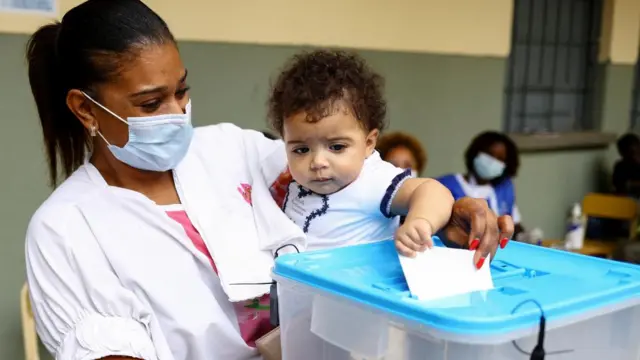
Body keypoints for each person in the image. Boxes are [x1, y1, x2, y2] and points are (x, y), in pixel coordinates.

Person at [24, 1, 513, 359]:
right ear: (86, 109)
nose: (177, 114)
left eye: (182, 91)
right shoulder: (67, 229)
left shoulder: (231, 150)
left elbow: (354, 189)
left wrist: (443, 216)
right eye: (152, 104)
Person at [267, 50, 458, 261]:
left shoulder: (373, 180)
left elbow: (433, 191)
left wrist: (420, 222)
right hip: (297, 286)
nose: (318, 162)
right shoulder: (294, 180)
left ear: (368, 143)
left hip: (349, 290)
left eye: (337, 147)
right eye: (301, 150)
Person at [437, 131, 524, 237]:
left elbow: (516, 225)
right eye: (489, 154)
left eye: (500, 159)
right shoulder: (445, 185)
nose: (493, 162)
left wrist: (525, 237)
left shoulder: (504, 188)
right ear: (476, 153)